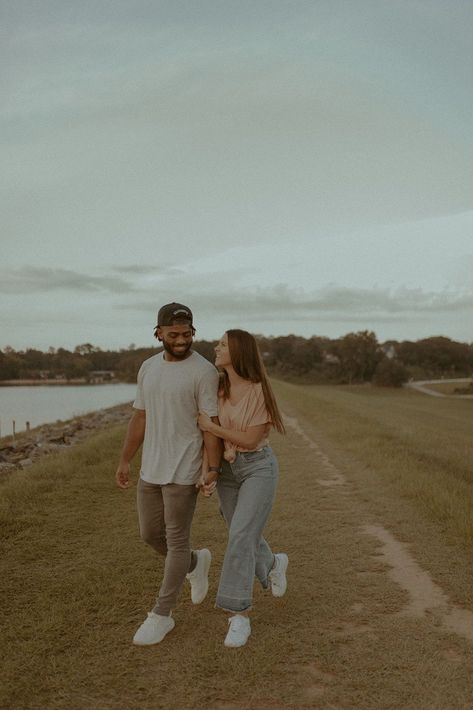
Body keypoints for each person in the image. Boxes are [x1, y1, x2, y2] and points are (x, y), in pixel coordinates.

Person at [115, 302, 222, 646]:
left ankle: (161, 614)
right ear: (158, 332)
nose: (180, 340)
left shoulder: (204, 371)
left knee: (176, 539)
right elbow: (140, 417)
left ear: (194, 331)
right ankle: (196, 563)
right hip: (151, 467)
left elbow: (210, 426)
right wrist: (125, 460)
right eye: (173, 334)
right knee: (149, 534)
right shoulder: (148, 368)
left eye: (186, 333)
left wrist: (211, 468)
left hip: (183, 468)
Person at [198, 329, 288, 648]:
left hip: (257, 467)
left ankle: (238, 616)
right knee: (242, 532)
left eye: (222, 344)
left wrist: (212, 426)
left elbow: (250, 439)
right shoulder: (216, 386)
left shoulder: (259, 390)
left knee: (239, 536)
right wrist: (208, 471)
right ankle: (273, 564)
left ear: (238, 352)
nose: (216, 347)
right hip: (226, 470)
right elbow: (209, 438)